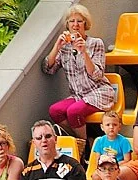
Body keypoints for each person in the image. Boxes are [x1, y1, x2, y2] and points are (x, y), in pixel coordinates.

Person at [42, 4, 115, 141]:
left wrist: (84, 52)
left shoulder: (95, 43)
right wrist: (57, 47)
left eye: (79, 21)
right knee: (55, 111)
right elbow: (48, 69)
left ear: (85, 24)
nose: (75, 25)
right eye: (72, 21)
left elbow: (97, 75)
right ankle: (78, 142)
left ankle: (83, 150)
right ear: (67, 25)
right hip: (77, 95)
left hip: (98, 91)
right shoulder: (64, 47)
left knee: (74, 111)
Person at [89, 111, 133, 180]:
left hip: (118, 168)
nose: (111, 127)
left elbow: (127, 160)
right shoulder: (99, 141)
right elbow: (97, 161)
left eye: (114, 125)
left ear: (119, 126)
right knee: (96, 176)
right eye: (108, 125)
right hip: (103, 168)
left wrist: (112, 165)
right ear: (102, 127)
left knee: (114, 176)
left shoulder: (124, 141)